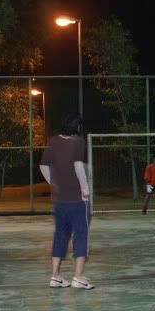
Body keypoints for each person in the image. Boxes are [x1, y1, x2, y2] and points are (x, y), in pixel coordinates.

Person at [40, 113, 94, 289]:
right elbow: (78, 166)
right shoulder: (78, 141)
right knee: (81, 235)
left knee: (60, 236)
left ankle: (55, 277)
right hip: (77, 200)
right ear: (77, 126)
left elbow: (43, 165)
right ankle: (78, 277)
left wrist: (53, 183)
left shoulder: (53, 141)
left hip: (59, 200)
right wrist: (85, 190)